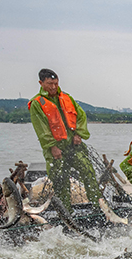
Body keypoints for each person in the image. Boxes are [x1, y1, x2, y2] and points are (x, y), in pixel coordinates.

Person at [28, 69, 101, 211]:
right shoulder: (37, 103)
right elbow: (41, 129)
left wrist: (78, 134)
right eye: (50, 84)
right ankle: (66, 214)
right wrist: (52, 147)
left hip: (74, 145)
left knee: (88, 171)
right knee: (60, 182)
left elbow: (81, 116)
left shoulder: (67, 97)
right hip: (56, 149)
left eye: (56, 83)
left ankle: (98, 208)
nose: (54, 87)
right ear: (41, 83)